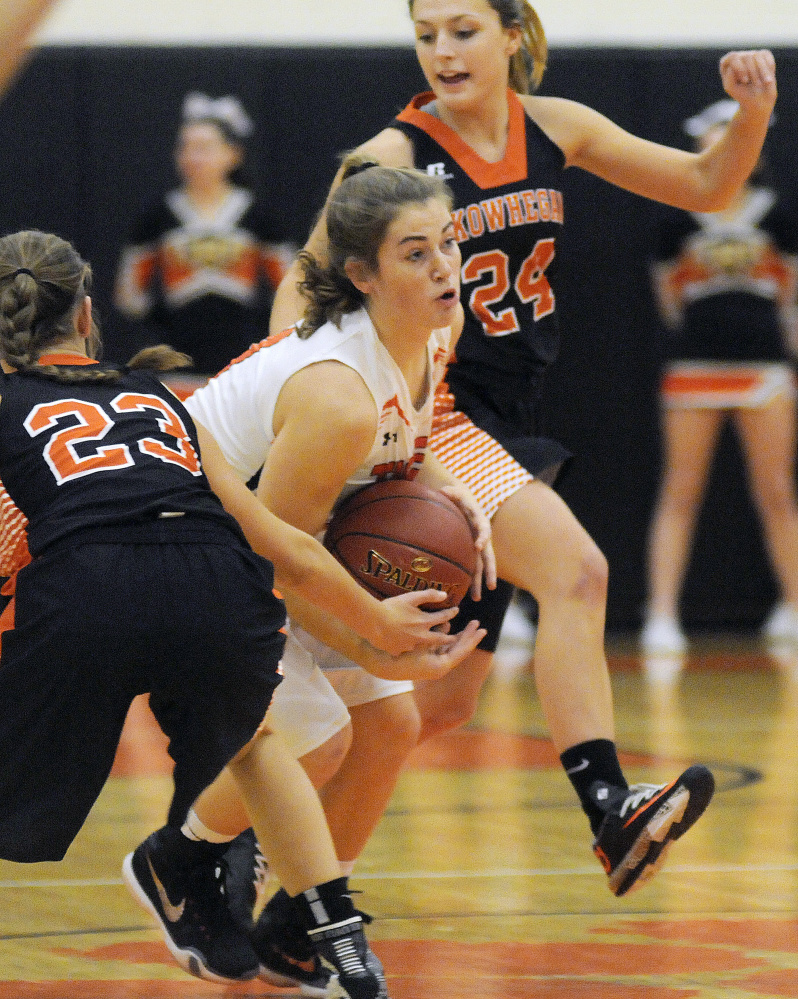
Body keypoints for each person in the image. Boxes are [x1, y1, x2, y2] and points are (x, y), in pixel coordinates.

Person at [262, 0, 777, 928]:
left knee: (439, 699)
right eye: (427, 34)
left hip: (511, 413)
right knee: (579, 572)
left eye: (463, 29)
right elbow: (298, 289)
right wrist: (328, 403)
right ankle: (612, 810)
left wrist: (751, 113)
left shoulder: (558, 127)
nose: (444, 51)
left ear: (511, 32)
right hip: (443, 411)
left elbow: (707, 186)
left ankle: (276, 853)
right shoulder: (389, 155)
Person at [0, 229, 479, 998]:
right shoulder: (159, 394)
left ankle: (221, 884)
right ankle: (338, 944)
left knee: (316, 737)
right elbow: (277, 540)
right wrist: (377, 631)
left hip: (83, 599)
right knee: (269, 742)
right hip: (209, 586)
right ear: (89, 315)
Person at [178, 164, 492, 996]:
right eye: (415, 254)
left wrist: (457, 503)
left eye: (448, 246)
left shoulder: (431, 335)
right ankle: (183, 858)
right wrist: (373, 632)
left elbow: (400, 460)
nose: (443, 269)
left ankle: (290, 927)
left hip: (273, 548)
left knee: (392, 721)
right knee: (320, 738)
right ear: (362, 275)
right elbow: (268, 557)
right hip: (189, 553)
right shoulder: (337, 394)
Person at [642, 99, 798, 654]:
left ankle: (794, 606)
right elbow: (669, 300)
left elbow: (792, 299)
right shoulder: (676, 217)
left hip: (765, 369)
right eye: (719, 135)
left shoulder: (779, 217)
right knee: (680, 491)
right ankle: (661, 614)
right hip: (695, 367)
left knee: (777, 492)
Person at [114, 92, 293, 377]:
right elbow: (130, 298)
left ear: (234, 154)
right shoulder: (157, 216)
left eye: (205, 148)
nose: (192, 157)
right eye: (185, 148)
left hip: (243, 364)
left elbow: (290, 290)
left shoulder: (258, 217)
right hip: (176, 364)